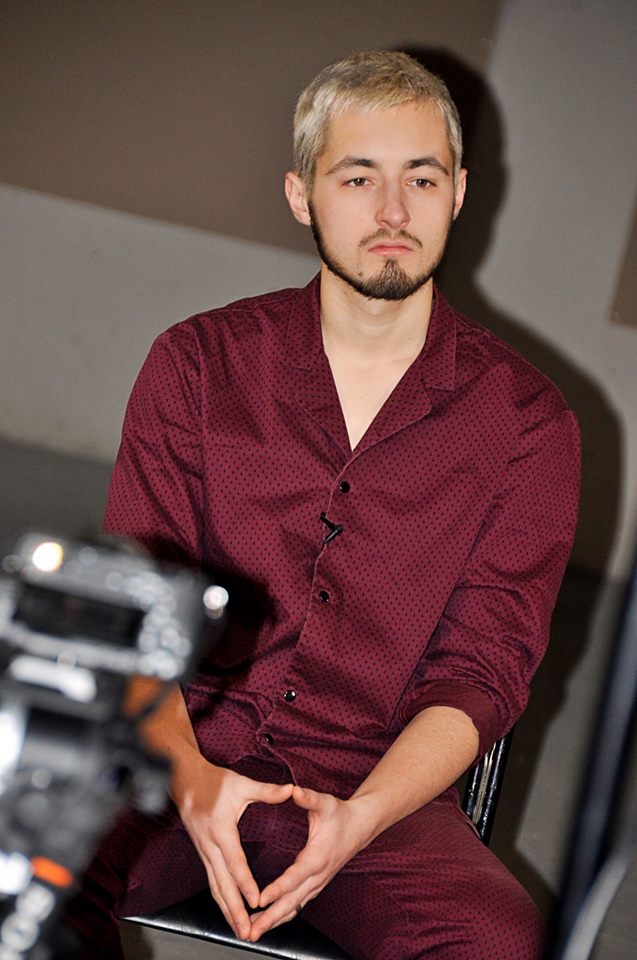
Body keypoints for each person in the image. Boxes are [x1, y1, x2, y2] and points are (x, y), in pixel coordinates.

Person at [71, 50, 580, 959]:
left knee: (494, 939)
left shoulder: (527, 423)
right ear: (301, 195)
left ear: (459, 193)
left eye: (420, 178)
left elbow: (484, 667)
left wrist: (363, 817)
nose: (392, 212)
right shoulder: (198, 364)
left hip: (377, 788)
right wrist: (191, 781)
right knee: (27, 857)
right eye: (357, 178)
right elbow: (137, 614)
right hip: (176, 746)